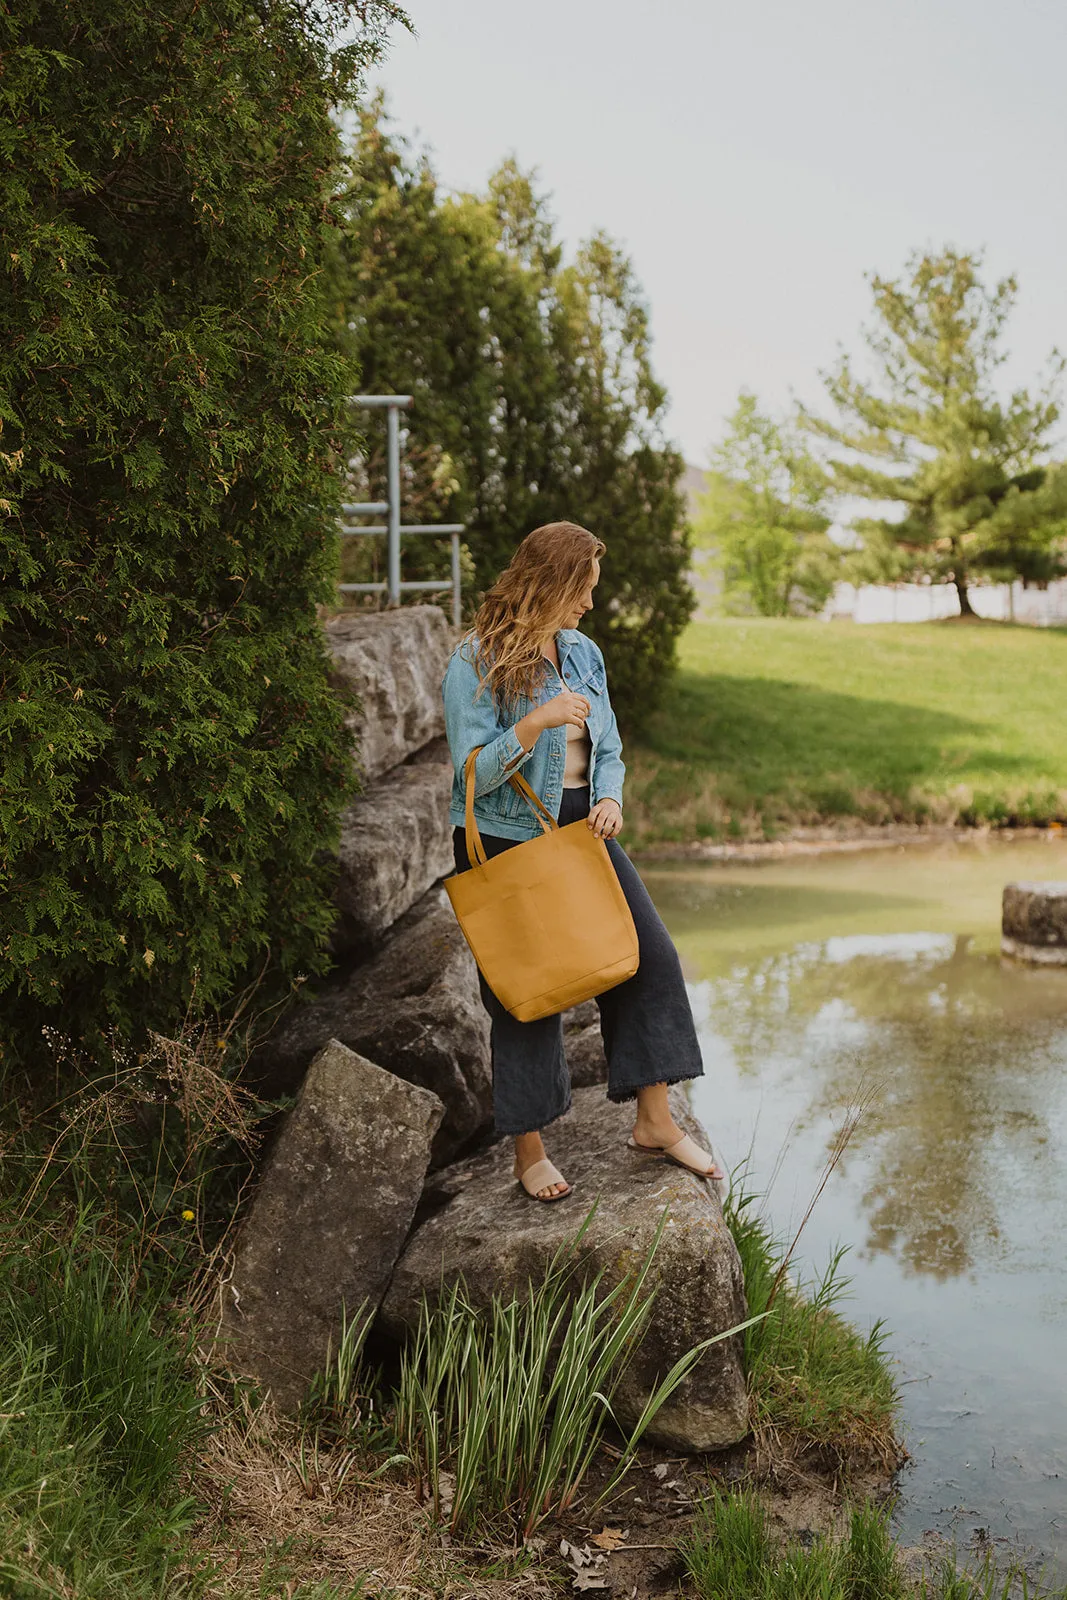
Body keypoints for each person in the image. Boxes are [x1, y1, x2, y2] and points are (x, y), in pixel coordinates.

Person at [441, 520, 724, 1202]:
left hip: (581, 829)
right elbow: (468, 776)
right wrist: (533, 724)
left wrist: (608, 797)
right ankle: (529, 1152)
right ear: (551, 582)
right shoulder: (472, 662)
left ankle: (654, 1121)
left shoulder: (582, 655)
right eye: (583, 590)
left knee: (648, 959)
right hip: (507, 836)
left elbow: (609, 747)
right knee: (527, 993)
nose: (589, 604)